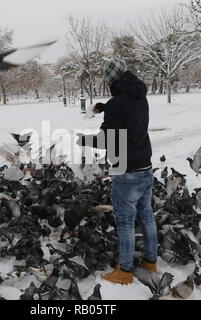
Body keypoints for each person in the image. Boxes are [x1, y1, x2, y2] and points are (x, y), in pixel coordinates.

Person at [77, 58, 156, 285]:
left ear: (112, 81)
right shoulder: (141, 97)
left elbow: (106, 140)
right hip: (145, 166)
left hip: (126, 170)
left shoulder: (117, 104)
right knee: (147, 216)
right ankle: (151, 262)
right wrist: (106, 107)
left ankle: (125, 271)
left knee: (125, 222)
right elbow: (127, 117)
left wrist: (81, 138)